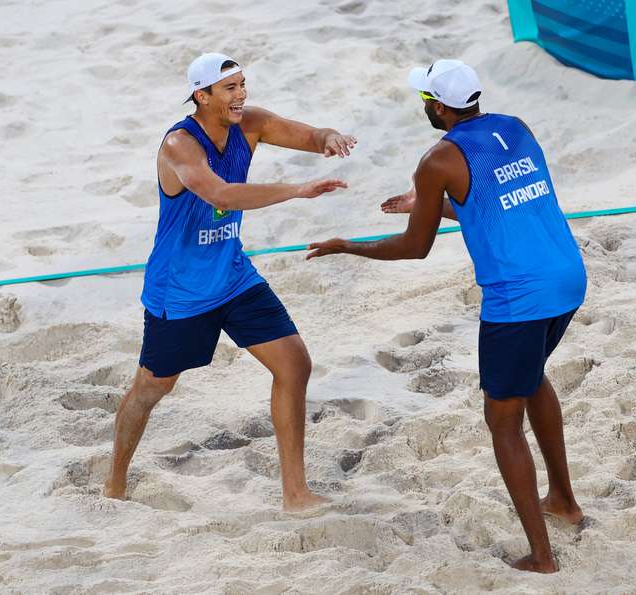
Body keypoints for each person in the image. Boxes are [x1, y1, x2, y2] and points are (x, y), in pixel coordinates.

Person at [307, 59, 585, 571]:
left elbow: (416, 248)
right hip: (567, 276)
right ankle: (564, 502)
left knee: (502, 421)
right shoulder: (515, 128)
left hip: (518, 296)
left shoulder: (438, 158)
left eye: (424, 102)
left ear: (437, 107)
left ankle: (542, 556)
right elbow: (495, 202)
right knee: (531, 377)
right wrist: (426, 203)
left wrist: (350, 245)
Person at [104, 53, 357, 512]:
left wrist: (328, 137)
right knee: (151, 388)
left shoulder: (251, 124)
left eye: (242, 85)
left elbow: (307, 135)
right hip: (179, 290)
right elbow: (220, 193)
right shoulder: (180, 145)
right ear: (202, 97)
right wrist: (296, 191)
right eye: (230, 89)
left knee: (294, 364)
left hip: (233, 277)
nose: (242, 94)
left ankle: (296, 494)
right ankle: (114, 482)